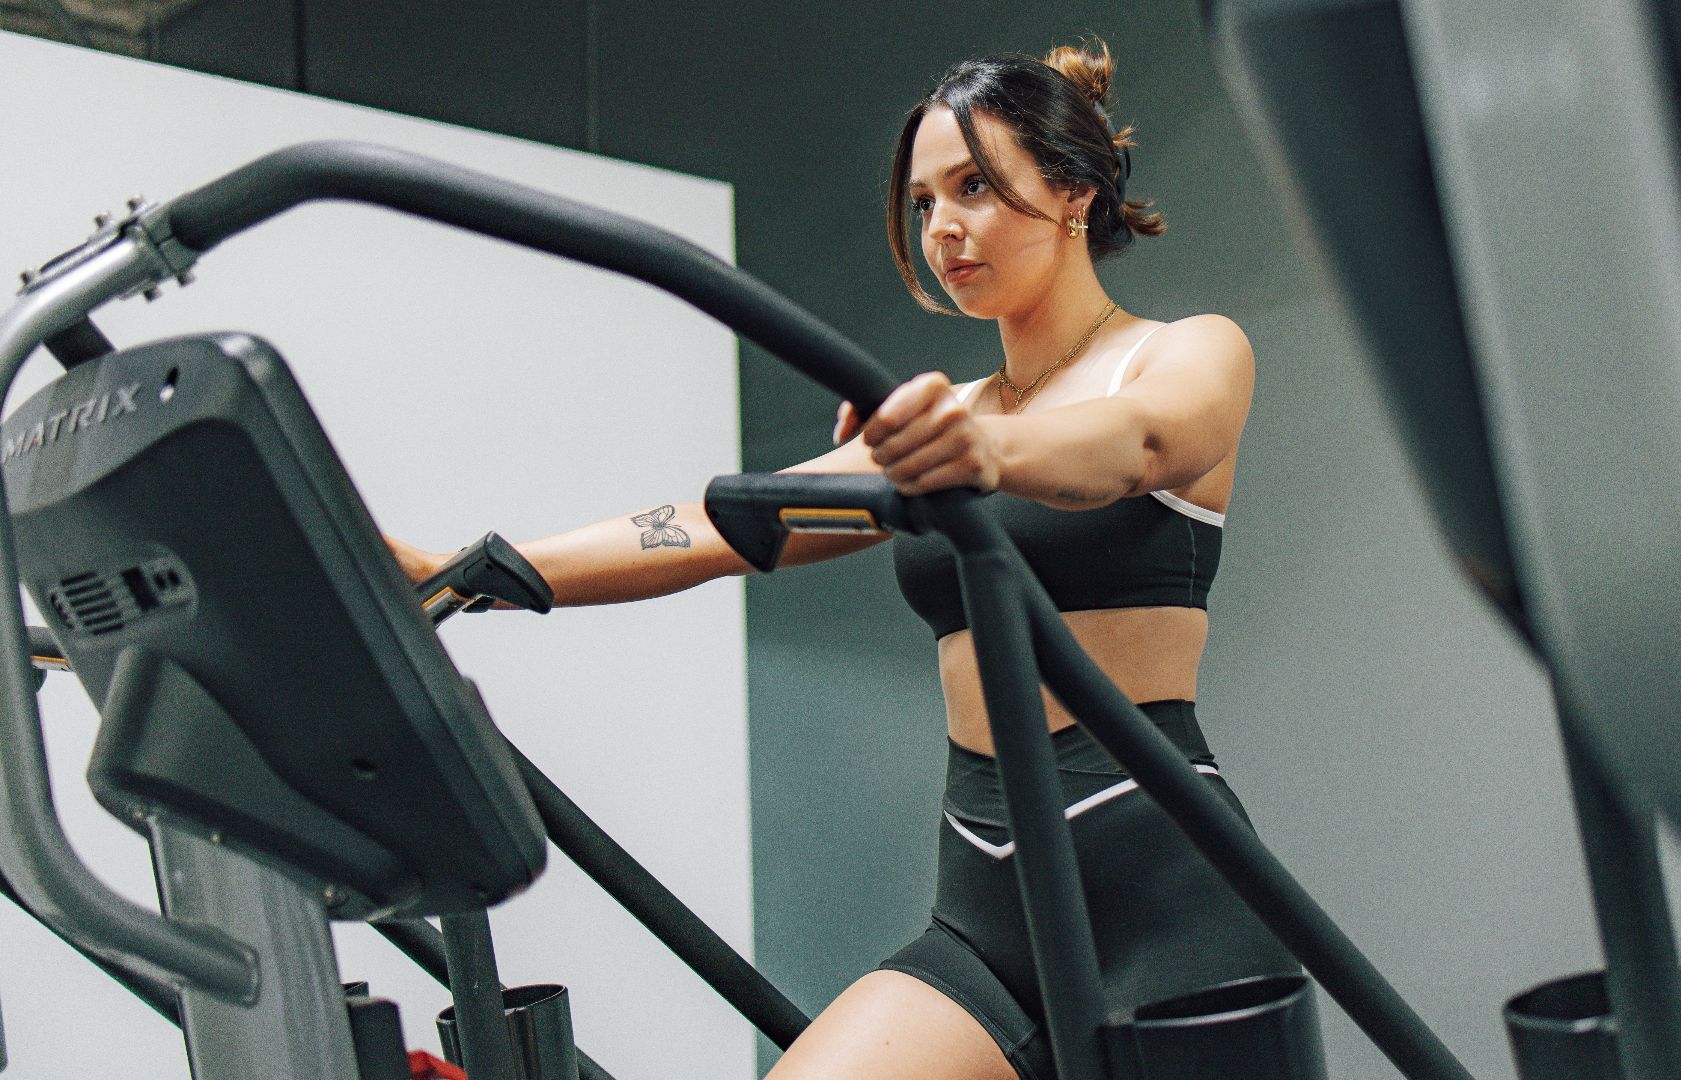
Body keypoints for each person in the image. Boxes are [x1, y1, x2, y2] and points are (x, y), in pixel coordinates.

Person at [389, 37, 1297, 1080]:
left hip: (1165, 897)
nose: (944, 227)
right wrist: (477, 570)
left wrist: (976, 457)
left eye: (975, 187)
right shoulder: (941, 418)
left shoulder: (1183, 352)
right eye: (923, 203)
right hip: (984, 903)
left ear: (1076, 190)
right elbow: (727, 525)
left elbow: (1136, 443)